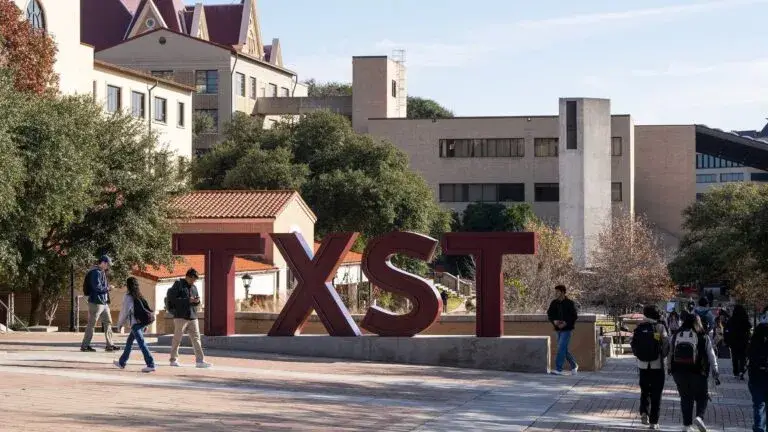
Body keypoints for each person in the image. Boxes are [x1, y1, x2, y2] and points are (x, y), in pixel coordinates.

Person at [669, 312, 720, 432]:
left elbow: (670, 353)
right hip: (699, 372)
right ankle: (699, 417)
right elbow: (711, 355)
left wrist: (669, 368)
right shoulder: (704, 336)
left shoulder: (676, 335)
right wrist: (715, 369)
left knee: (685, 397)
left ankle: (687, 426)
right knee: (702, 396)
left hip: (679, 372)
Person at [631, 305, 670, 430]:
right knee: (656, 393)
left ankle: (644, 412)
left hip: (642, 365)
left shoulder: (639, 327)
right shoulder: (660, 327)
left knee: (645, 390)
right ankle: (654, 422)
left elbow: (634, 344)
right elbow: (666, 344)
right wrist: (662, 356)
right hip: (657, 365)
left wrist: (639, 355)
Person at [167, 268, 212, 368]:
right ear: (187, 277)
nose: (193, 281)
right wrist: (188, 300)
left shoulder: (194, 287)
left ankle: (200, 361)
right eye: (192, 279)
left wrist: (197, 301)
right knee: (177, 339)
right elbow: (174, 300)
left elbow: (196, 300)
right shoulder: (178, 285)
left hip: (193, 316)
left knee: (197, 338)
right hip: (180, 317)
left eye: (195, 279)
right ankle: (173, 360)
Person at [114, 277, 155, 372]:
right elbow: (146, 310)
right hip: (142, 323)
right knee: (129, 341)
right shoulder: (139, 295)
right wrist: (145, 325)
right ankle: (122, 362)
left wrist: (119, 324)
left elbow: (124, 312)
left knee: (141, 343)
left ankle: (151, 364)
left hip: (135, 323)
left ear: (128, 285)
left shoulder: (128, 296)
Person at [80, 255, 120, 352]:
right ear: (102, 262)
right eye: (107, 264)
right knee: (92, 324)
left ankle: (110, 345)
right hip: (96, 302)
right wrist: (108, 288)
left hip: (103, 302)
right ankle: (85, 346)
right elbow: (96, 287)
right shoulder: (95, 272)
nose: (108, 266)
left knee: (108, 322)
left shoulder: (101, 272)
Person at [546, 284, 579, 375]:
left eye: (558, 292)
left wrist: (566, 323)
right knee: (563, 349)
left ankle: (558, 369)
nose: (556, 293)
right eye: (555, 292)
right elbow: (550, 314)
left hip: (567, 329)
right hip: (558, 329)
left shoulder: (569, 303)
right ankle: (574, 365)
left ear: (563, 292)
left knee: (561, 347)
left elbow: (574, 316)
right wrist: (554, 321)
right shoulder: (554, 303)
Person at [748, 306, 768, 432]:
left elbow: (749, 352)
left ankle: (759, 428)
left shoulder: (758, 331)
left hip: (757, 374)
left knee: (759, 404)